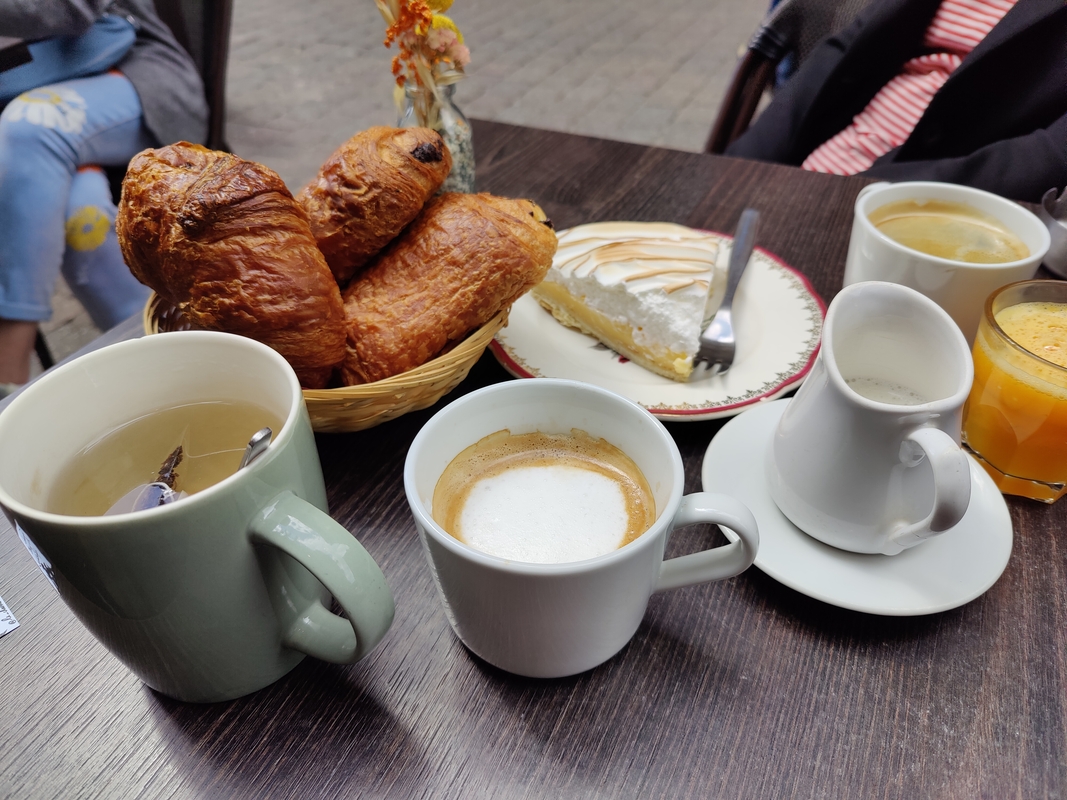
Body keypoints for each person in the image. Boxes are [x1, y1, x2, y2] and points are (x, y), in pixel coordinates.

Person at [0, 0, 208, 393]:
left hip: (130, 77)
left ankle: (8, 360)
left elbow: (72, 8)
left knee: (31, 126)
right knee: (80, 217)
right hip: (20, 122)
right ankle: (168, 368)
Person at [725, 0, 1067, 204]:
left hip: (933, 217)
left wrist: (857, 195)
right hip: (815, 169)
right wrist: (740, 167)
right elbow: (844, 48)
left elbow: (1049, 155)